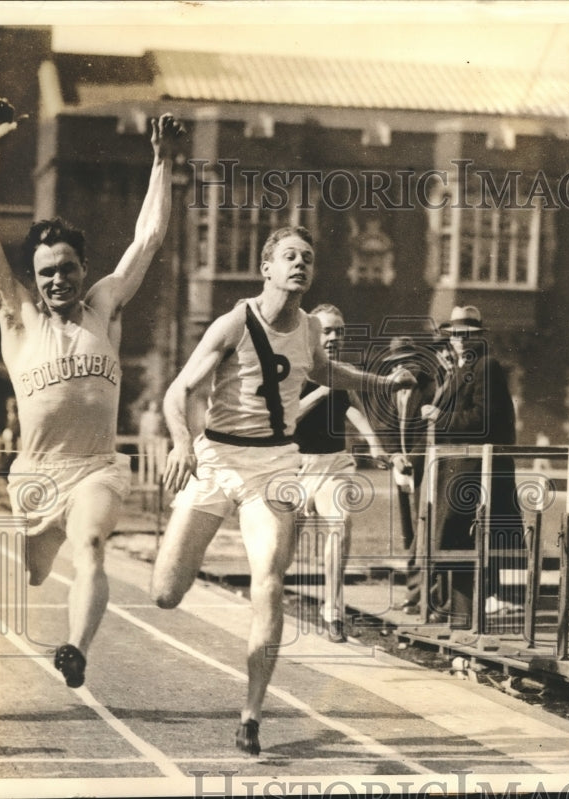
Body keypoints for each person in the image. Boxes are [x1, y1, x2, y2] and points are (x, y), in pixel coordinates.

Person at [150, 226, 415, 756]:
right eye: (289, 256)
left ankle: (251, 715)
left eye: (308, 258)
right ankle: (185, 584)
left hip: (273, 466)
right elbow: (178, 390)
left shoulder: (312, 327)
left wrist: (384, 384)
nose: (300, 264)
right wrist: (181, 443)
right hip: (216, 458)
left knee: (269, 582)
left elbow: (324, 372)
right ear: (267, 268)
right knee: (165, 594)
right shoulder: (234, 324)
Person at [0, 93, 184, 689]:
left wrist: (162, 161)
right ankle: (44, 553)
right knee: (35, 574)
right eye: (46, 273)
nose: (58, 279)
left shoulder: (105, 310)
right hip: (35, 477)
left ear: (83, 269)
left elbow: (148, 238)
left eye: (67, 268)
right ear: (34, 280)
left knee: (90, 544)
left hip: (95, 469)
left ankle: (76, 650)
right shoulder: (19, 319)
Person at [422, 305, 523, 627]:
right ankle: (454, 608)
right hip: (460, 468)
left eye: (468, 335)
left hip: (476, 470)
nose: (461, 341)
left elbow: (483, 419)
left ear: (479, 337)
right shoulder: (465, 367)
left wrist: (440, 417)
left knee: (463, 537)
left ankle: (463, 611)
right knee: (457, 538)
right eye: (455, 336)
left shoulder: (486, 366)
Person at [293, 303, 387, 643]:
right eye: (328, 331)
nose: (335, 337)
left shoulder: (343, 371)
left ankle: (333, 611)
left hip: (334, 464)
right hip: (295, 467)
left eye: (340, 332)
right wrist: (323, 389)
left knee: (341, 524)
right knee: (280, 548)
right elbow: (289, 417)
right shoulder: (294, 369)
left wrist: (375, 444)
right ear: (313, 334)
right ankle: (268, 604)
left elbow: (353, 408)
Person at [371, 335, 442, 614]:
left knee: (424, 530)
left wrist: (410, 458)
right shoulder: (389, 390)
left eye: (407, 363)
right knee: (408, 533)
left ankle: (426, 594)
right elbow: (382, 425)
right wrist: (393, 456)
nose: (401, 369)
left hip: (423, 468)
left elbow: (429, 433)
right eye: (395, 364)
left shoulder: (431, 389)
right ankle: (414, 593)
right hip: (401, 468)